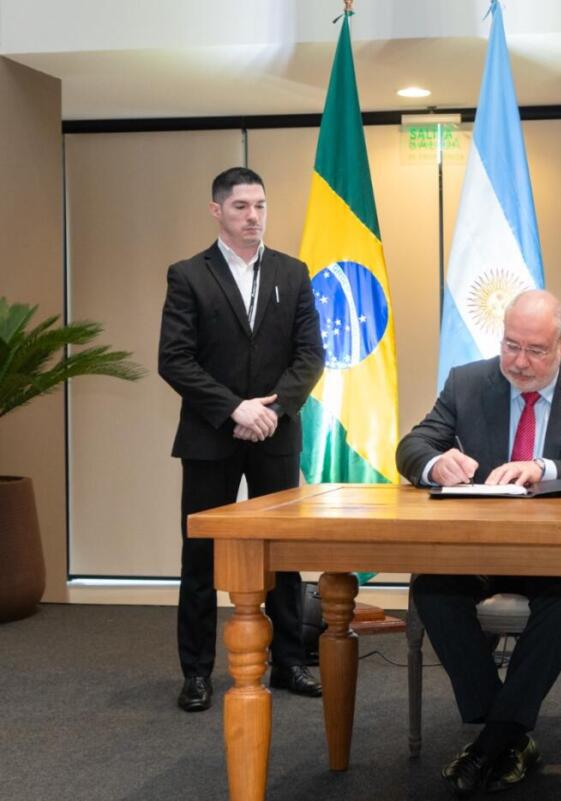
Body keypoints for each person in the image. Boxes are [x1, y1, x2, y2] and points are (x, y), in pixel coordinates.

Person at [396, 289, 561, 798]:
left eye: (536, 350)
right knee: (433, 588)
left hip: (556, 553)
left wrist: (546, 468)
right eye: (510, 345)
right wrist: (435, 463)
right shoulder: (467, 381)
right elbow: (412, 446)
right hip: (479, 548)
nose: (519, 362)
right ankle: (509, 735)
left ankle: (489, 744)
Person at [158, 166, 326, 713]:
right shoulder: (189, 275)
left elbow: (311, 355)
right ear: (217, 211)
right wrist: (234, 408)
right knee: (200, 557)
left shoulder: (292, 273)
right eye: (240, 207)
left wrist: (272, 410)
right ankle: (196, 673)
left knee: (282, 553)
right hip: (211, 435)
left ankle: (290, 661)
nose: (253, 217)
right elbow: (174, 359)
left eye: (260, 206)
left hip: (275, 432)